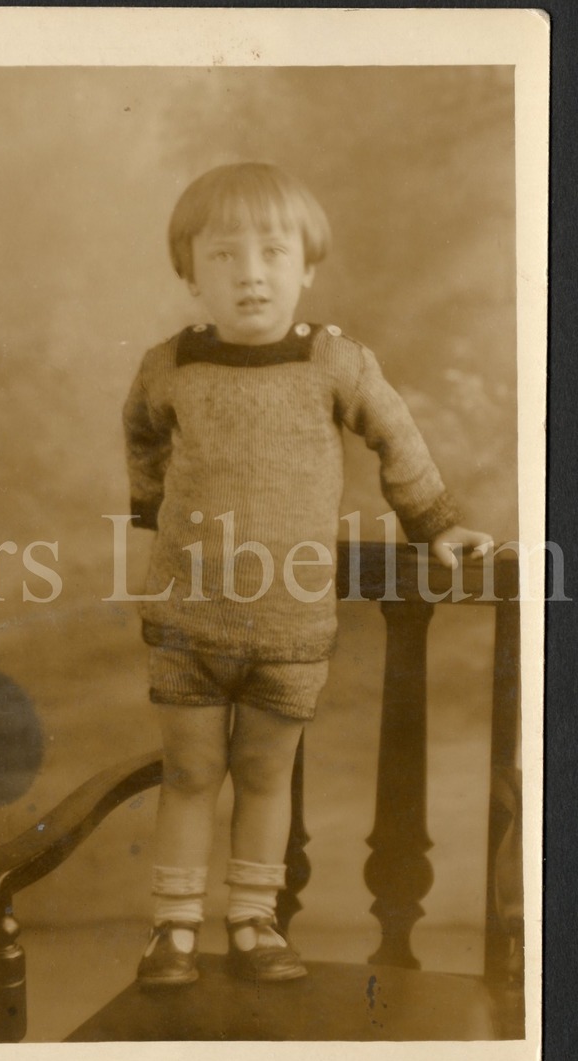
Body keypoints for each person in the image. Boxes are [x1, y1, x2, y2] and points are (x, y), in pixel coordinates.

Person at [122, 162, 491, 987]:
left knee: (263, 775)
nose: (249, 272)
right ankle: (172, 930)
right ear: (189, 273)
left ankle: (253, 922)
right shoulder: (167, 367)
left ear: (307, 265)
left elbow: (396, 437)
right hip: (187, 625)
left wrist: (431, 522)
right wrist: (149, 507)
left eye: (271, 251)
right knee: (188, 775)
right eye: (223, 256)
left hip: (289, 632)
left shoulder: (334, 362)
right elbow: (142, 436)